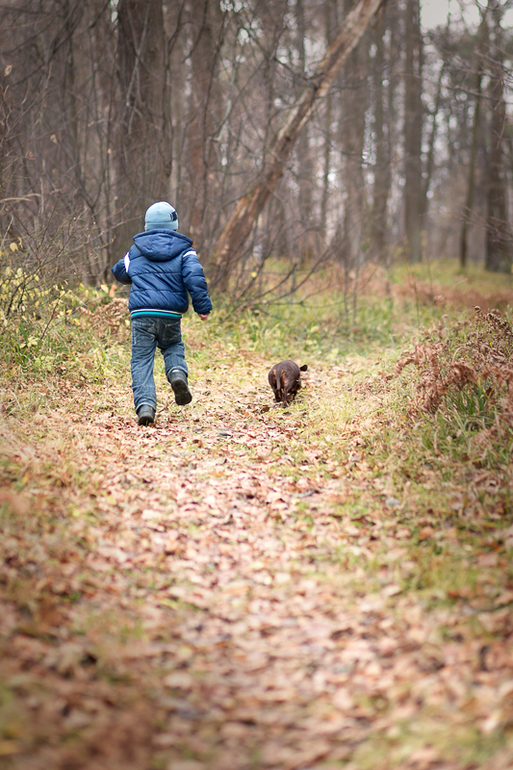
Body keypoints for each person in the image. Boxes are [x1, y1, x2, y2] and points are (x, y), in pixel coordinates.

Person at [112, 201, 212, 425]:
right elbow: (195, 277)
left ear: (147, 227)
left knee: (141, 360)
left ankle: (146, 406)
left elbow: (119, 271)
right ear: (175, 227)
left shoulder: (136, 250)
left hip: (142, 314)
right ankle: (177, 373)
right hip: (170, 314)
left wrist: (139, 274)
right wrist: (202, 307)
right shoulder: (185, 251)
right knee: (173, 345)